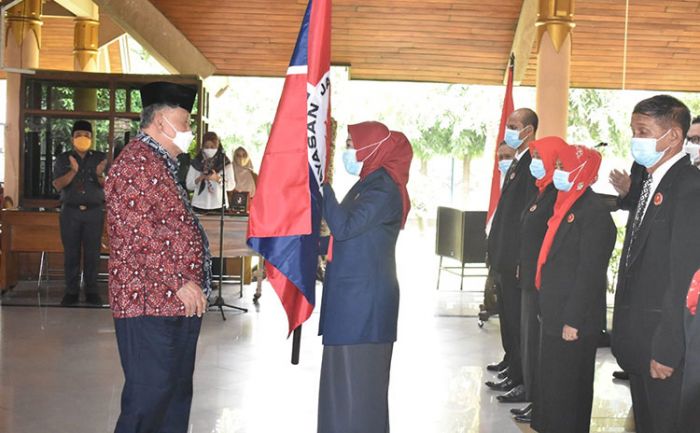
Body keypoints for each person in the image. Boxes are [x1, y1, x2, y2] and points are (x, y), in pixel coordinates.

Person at [104, 81, 211, 433]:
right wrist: (178, 280)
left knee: (174, 399)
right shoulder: (135, 163)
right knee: (148, 402)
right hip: (148, 303)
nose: (189, 130)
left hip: (172, 303)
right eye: (185, 121)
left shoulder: (160, 162)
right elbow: (136, 235)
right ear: (162, 120)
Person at [611, 95, 700, 433]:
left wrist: (667, 348)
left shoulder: (690, 189)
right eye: (634, 130)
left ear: (673, 136)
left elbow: (684, 279)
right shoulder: (650, 182)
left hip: (663, 347)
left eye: (644, 131)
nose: (636, 139)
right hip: (639, 340)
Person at [317, 121, 412, 433]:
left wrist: (322, 186)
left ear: (373, 148)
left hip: (364, 307)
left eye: (351, 143)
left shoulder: (383, 188)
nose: (348, 150)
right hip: (352, 301)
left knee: (359, 393)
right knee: (342, 389)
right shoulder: (369, 183)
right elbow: (351, 236)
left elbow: (344, 227)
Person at [531, 144, 616, 433]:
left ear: (581, 171)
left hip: (574, 319)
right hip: (556, 310)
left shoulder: (593, 213)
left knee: (568, 392)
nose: (557, 173)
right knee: (553, 386)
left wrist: (572, 320)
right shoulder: (565, 204)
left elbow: (589, 273)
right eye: (557, 167)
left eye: (563, 167)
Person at [512, 136, 568, 424]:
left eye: (540, 158)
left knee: (537, 345)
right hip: (529, 277)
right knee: (528, 342)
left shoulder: (557, 193)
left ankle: (539, 401)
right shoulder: (541, 190)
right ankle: (533, 397)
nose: (534, 163)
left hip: (541, 281)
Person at [485, 108, 539, 403]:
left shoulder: (532, 165)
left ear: (528, 130)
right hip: (504, 257)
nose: (508, 129)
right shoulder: (517, 163)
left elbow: (525, 219)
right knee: (508, 317)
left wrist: (520, 258)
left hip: (516, 260)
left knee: (519, 323)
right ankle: (512, 366)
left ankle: (521, 378)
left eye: (513, 125)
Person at [52, 120, 107, 306]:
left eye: (87, 135)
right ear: (72, 138)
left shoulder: (100, 158)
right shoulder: (63, 159)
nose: (82, 138)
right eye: (78, 135)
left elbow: (109, 187)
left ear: (92, 138)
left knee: (93, 253)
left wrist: (100, 175)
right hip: (70, 213)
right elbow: (57, 185)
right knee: (71, 253)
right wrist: (73, 171)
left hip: (94, 213)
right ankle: (71, 291)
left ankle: (92, 291)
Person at [186, 131, 235, 212]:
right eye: (206, 147)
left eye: (212, 147)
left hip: (219, 204)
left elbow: (231, 186)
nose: (209, 149)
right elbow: (189, 186)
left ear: (218, 146)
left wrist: (218, 179)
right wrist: (200, 178)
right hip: (199, 204)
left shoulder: (224, 163)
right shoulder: (196, 162)